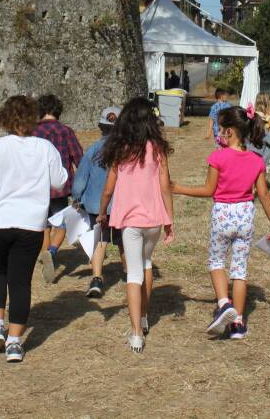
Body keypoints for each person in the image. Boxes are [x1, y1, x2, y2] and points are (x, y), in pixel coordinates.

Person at [0, 95, 68, 363]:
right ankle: (15, 343)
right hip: (31, 224)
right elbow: (60, 181)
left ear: (5, 119)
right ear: (32, 119)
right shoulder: (45, 148)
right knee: (20, 282)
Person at [173, 106, 270, 340]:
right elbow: (263, 194)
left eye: (220, 129)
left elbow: (208, 190)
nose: (218, 132)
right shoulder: (256, 159)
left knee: (216, 261)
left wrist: (178, 188)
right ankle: (238, 324)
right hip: (245, 215)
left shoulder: (217, 157)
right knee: (239, 269)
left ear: (230, 131)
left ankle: (224, 305)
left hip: (223, 213)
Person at [97, 97, 175, 353]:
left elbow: (108, 188)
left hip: (129, 220)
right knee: (146, 264)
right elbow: (165, 187)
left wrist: (102, 212)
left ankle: (135, 333)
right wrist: (169, 219)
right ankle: (143, 316)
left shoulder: (121, 150)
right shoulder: (158, 149)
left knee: (133, 273)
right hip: (153, 218)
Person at [71, 106, 125, 298]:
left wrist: (76, 197)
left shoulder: (93, 150)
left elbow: (80, 180)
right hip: (122, 205)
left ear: (101, 127)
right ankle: (129, 275)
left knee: (99, 240)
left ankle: (97, 278)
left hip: (96, 204)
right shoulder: (127, 151)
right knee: (122, 241)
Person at [34, 94, 83, 283]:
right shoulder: (66, 132)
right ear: (58, 111)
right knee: (61, 224)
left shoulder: (33, 133)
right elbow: (78, 158)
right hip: (60, 187)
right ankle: (52, 251)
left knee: (43, 225)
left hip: (37, 187)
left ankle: (45, 253)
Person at [250, 93, 270, 190]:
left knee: (251, 169)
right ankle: (260, 187)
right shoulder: (269, 116)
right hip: (265, 148)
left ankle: (251, 187)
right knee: (263, 168)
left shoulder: (251, 114)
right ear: (267, 102)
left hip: (251, 147)